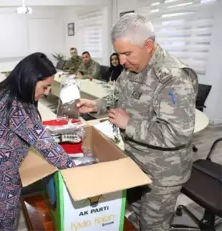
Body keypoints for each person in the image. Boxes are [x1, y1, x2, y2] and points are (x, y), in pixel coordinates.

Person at [76, 13, 198, 231]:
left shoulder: (173, 78)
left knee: (153, 226)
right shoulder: (133, 66)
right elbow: (119, 94)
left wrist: (128, 124)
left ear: (148, 45)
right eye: (118, 54)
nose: (121, 60)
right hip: (135, 162)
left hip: (162, 175)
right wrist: (97, 105)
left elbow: (178, 134)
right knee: (136, 216)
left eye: (126, 53)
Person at [0, 52, 76, 231]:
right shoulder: (17, 106)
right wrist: (78, 171)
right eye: (45, 87)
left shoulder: (2, 91)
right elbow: (46, 146)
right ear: (31, 79)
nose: (46, 93)